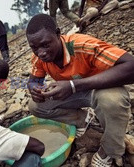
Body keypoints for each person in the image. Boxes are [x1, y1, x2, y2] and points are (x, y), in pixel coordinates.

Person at [26, 14, 134, 166]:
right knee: (35, 105)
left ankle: (110, 150)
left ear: (58, 34)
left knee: (112, 102)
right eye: (34, 48)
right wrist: (34, 88)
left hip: (102, 87)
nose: (40, 52)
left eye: (45, 45)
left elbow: (131, 66)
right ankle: (82, 120)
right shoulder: (39, 56)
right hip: (74, 90)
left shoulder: (82, 45)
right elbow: (34, 80)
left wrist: (73, 86)